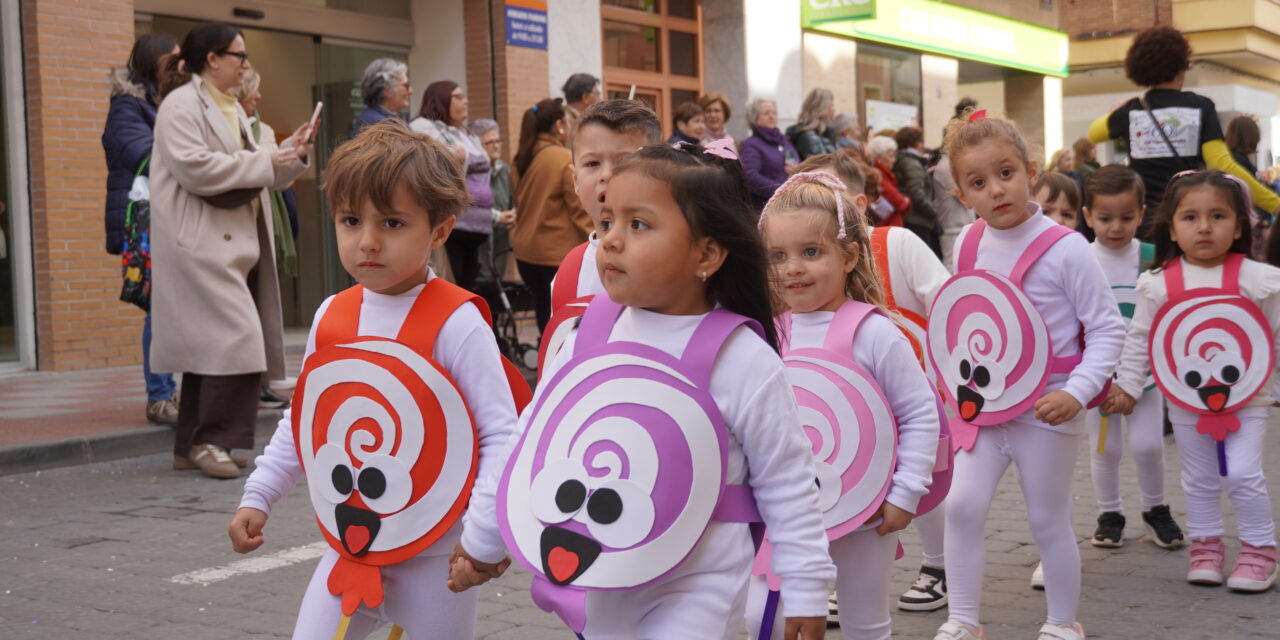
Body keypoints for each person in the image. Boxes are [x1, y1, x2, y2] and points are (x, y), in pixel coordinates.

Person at [451, 142, 834, 640]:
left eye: (639, 224)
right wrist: (482, 539)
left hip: (698, 585)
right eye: (608, 221)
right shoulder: (588, 334)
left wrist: (805, 586)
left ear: (706, 253)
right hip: (603, 577)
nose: (610, 240)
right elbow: (529, 441)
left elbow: (787, 481)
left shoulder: (741, 357)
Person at [226, 121, 523, 637]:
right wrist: (259, 494)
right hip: (352, 548)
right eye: (349, 220)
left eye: (391, 223)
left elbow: (501, 434)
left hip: (436, 558)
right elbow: (307, 421)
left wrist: (482, 539)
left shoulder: (457, 322)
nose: (366, 241)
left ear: (438, 231)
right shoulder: (331, 316)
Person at [930, 108, 1125, 640]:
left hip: (1048, 407)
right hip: (985, 408)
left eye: (1006, 173)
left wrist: (1078, 393)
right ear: (962, 194)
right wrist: (950, 388)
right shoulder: (966, 245)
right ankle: (964, 619)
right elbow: (960, 319)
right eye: (978, 182)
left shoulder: (1069, 250)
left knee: (1046, 519)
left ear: (1031, 170)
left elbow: (1107, 329)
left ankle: (1063, 623)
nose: (996, 189)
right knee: (962, 506)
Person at [755, 170, 941, 639]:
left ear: (849, 256)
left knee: (865, 622)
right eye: (779, 256)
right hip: (788, 512)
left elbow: (918, 414)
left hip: (868, 509)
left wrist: (905, 493)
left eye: (811, 252)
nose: (793, 268)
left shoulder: (874, 332)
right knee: (774, 616)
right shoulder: (768, 335)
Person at [792, 152, 953, 615]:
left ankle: (938, 564)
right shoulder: (792, 287)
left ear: (858, 205)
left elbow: (945, 301)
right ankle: (837, 572)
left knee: (923, 473)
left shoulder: (896, 244)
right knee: (839, 471)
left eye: (825, 198)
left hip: (910, 384)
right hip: (836, 406)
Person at [150, 22, 310, 479]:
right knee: (237, 338)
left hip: (233, 243)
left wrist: (291, 155)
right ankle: (211, 441)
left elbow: (259, 175)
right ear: (212, 59)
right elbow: (196, 168)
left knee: (214, 347)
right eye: (238, 55)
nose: (246, 64)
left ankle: (190, 445)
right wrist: (266, 160)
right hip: (198, 243)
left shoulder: (231, 108)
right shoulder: (181, 106)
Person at [1107, 170, 1279, 593]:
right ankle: (1206, 546)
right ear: (1172, 226)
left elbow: (1273, 334)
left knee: (1242, 472)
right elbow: (1140, 338)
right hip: (1185, 399)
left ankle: (1260, 550)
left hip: (1248, 397)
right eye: (1190, 217)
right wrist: (1128, 385)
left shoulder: (1255, 278)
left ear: (1239, 226)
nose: (1204, 227)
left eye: (1218, 215)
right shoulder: (1160, 283)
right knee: (1198, 477)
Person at [1085, 26, 1280, 236]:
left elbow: (1094, 133)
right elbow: (1221, 163)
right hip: (1188, 220)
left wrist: (1116, 111)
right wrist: (1274, 203)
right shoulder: (1200, 107)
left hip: (1145, 224)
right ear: (1182, 65)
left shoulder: (1132, 110)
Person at [1080, 165, 1186, 550]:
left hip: (1145, 374)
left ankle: (1156, 510)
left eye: (1126, 217)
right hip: (1099, 377)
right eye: (1105, 218)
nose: (1115, 227)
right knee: (1105, 448)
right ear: (1088, 215)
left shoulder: (1150, 257)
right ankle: (1110, 513)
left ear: (1142, 213)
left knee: (1149, 446)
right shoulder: (1082, 258)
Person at [102, 32, 179, 426]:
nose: (182, 65)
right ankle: (160, 395)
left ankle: (169, 390)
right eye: (174, 58)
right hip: (148, 222)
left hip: (172, 219)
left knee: (169, 308)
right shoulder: (127, 107)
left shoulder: (163, 103)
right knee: (159, 308)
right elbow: (144, 155)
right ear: (155, 61)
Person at [231, 66, 301, 409]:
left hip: (262, 224)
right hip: (233, 228)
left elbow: (275, 180)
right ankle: (242, 387)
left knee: (260, 307)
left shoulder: (265, 129)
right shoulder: (224, 123)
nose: (258, 97)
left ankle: (261, 383)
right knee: (240, 310)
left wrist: (296, 151)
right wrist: (268, 159)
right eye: (253, 90)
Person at [549, 99, 662, 312]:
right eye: (592, 163)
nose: (607, 175)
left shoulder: (674, 261)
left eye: (624, 162)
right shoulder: (569, 274)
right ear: (575, 180)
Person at [510, 98, 590, 332]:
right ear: (558, 126)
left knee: (543, 309)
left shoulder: (521, 158)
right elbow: (580, 211)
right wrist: (599, 242)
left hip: (526, 253)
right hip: (554, 254)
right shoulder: (563, 158)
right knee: (562, 317)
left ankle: (546, 358)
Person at [410, 81, 496, 292]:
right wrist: (462, 155)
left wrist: (463, 155)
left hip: (477, 228)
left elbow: (483, 161)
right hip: (454, 225)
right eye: (458, 97)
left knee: (468, 287)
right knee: (449, 284)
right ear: (441, 100)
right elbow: (441, 158)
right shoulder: (423, 126)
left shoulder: (465, 134)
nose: (465, 101)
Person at [469, 118, 517, 285]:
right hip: (478, 246)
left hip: (500, 245)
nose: (496, 146)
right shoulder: (471, 173)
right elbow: (468, 208)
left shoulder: (504, 170)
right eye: (489, 142)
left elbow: (513, 200)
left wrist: (513, 215)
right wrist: (497, 217)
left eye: (498, 141)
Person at [740, 98, 799, 211]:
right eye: (766, 113)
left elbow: (799, 166)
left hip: (791, 204)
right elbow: (750, 177)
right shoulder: (750, 145)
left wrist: (797, 170)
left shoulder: (784, 142)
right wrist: (782, 190)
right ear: (754, 118)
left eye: (774, 113)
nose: (772, 116)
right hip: (766, 208)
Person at [894, 127, 942, 257]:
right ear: (911, 143)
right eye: (920, 142)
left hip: (915, 218)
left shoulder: (906, 160)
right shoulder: (911, 163)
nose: (922, 146)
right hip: (917, 220)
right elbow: (917, 193)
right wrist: (933, 212)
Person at [350, 58, 410, 137]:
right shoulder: (376, 125)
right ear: (387, 91)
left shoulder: (391, 119)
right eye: (406, 85)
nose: (411, 91)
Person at [868, 136, 910, 227]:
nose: (894, 160)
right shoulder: (879, 176)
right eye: (890, 156)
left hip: (889, 225)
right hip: (887, 227)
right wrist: (904, 200)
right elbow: (900, 203)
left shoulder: (884, 174)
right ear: (879, 157)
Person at [787, 88, 837, 160]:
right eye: (831, 105)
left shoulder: (826, 132)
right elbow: (824, 164)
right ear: (822, 109)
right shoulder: (808, 136)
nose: (834, 109)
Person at [561, 72, 601, 145]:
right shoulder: (565, 121)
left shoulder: (574, 119)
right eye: (597, 94)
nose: (600, 99)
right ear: (585, 98)